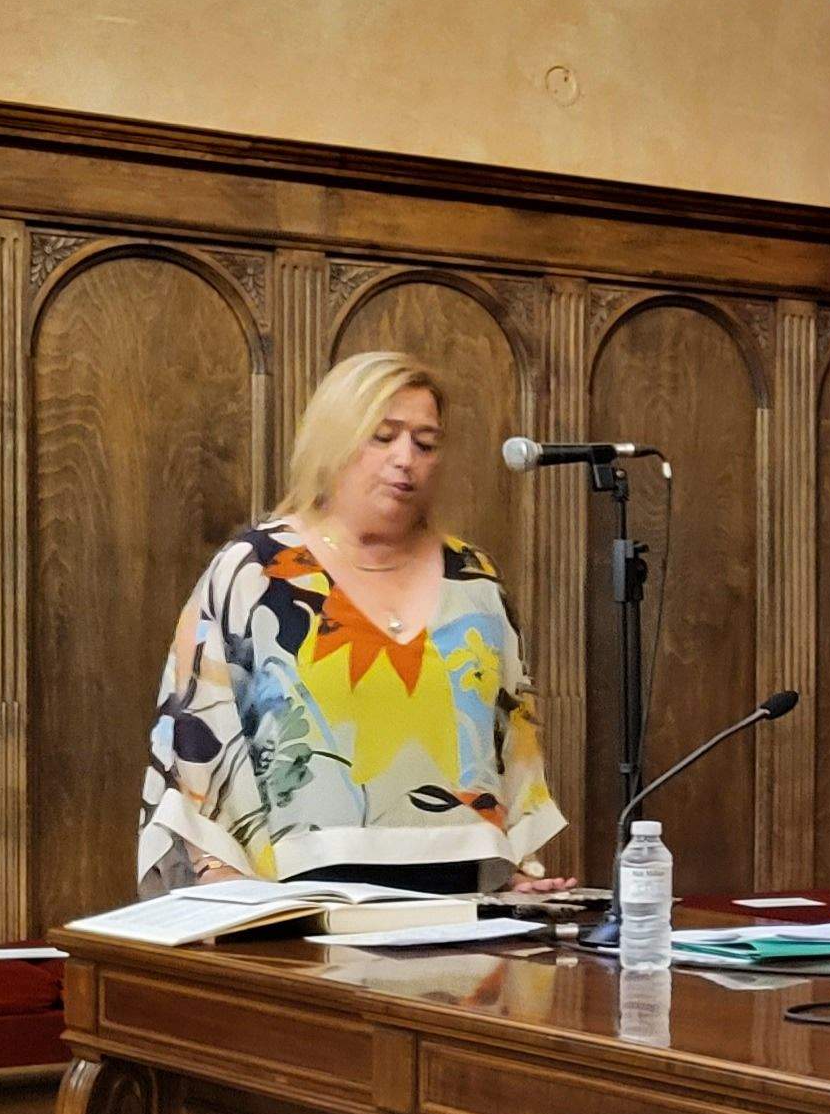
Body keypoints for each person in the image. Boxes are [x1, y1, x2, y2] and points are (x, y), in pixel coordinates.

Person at [138, 352, 570, 896]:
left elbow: (511, 740)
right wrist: (219, 883)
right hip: (295, 905)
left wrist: (515, 872)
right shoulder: (255, 569)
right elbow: (195, 740)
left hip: (458, 903)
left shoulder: (474, 579)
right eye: (382, 436)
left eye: (425, 442)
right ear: (332, 441)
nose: (405, 459)